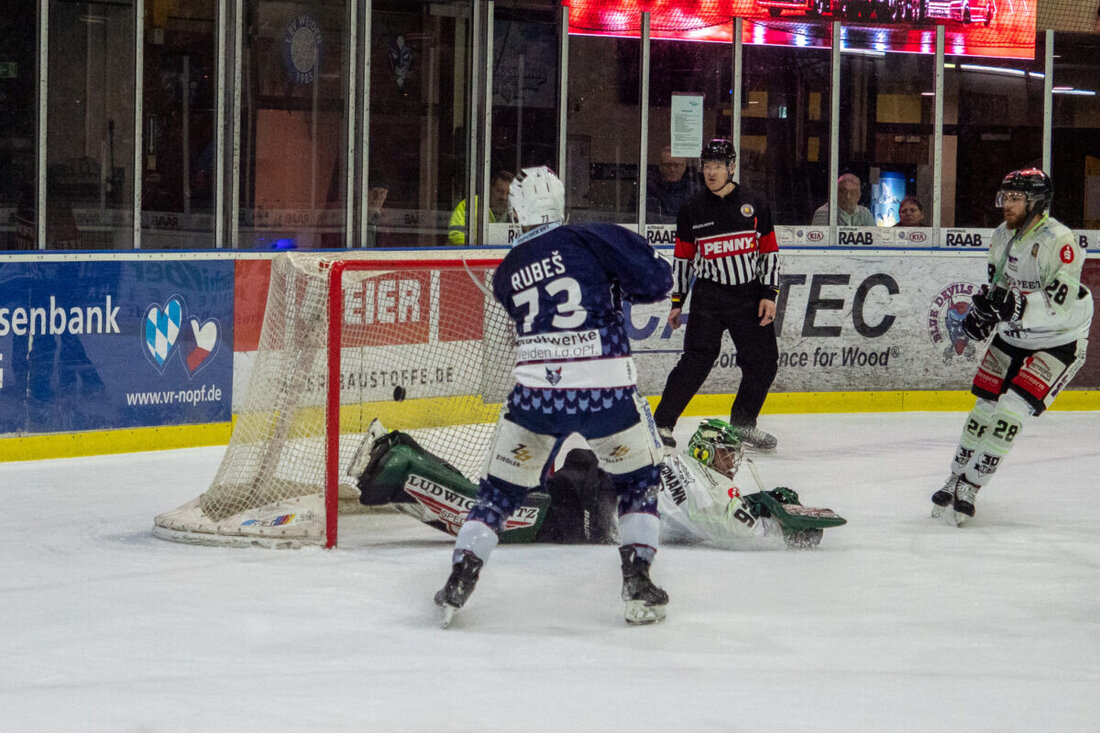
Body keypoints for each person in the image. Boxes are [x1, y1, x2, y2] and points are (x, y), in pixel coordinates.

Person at [433, 165, 674, 627]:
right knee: (639, 482)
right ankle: (637, 580)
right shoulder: (592, 237)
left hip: (537, 394)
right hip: (604, 389)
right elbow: (655, 284)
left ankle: (460, 577)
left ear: (517, 211)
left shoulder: (506, 273)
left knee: (498, 492)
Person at [350, 418, 846, 551]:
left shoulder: (692, 469)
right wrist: (779, 526)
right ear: (704, 451)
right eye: (725, 453)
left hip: (594, 480)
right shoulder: (700, 484)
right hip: (590, 507)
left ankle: (402, 450)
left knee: (492, 499)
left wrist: (759, 500)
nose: (731, 462)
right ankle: (394, 468)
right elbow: (728, 530)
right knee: (486, 512)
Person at [931, 168, 1092, 526]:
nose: (1007, 204)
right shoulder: (1002, 235)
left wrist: (1017, 307)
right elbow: (999, 288)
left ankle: (973, 484)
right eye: (1005, 197)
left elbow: (1060, 302)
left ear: (1036, 202)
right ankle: (955, 475)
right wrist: (984, 315)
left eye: (1016, 198)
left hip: (1058, 340)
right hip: (1015, 335)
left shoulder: (1059, 240)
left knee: (1009, 413)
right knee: (982, 412)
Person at [652, 138, 781, 453]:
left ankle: (743, 423)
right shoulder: (692, 210)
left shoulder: (755, 203)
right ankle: (662, 424)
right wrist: (678, 301)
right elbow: (682, 259)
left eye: (718, 166)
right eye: (707, 166)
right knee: (696, 360)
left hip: (749, 296)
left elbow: (769, 252)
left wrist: (769, 293)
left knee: (763, 362)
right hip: (709, 297)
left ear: (732, 168)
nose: (711, 172)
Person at [447, 170, 513, 245]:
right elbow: (455, 234)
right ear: (490, 189)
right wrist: (479, 248)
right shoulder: (469, 205)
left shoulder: (514, 213)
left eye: (508, 194)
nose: (504, 197)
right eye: (499, 191)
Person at [646, 146, 698, 224]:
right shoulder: (646, 189)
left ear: (684, 167)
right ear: (660, 167)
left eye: (677, 165)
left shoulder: (694, 191)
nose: (672, 169)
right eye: (668, 165)